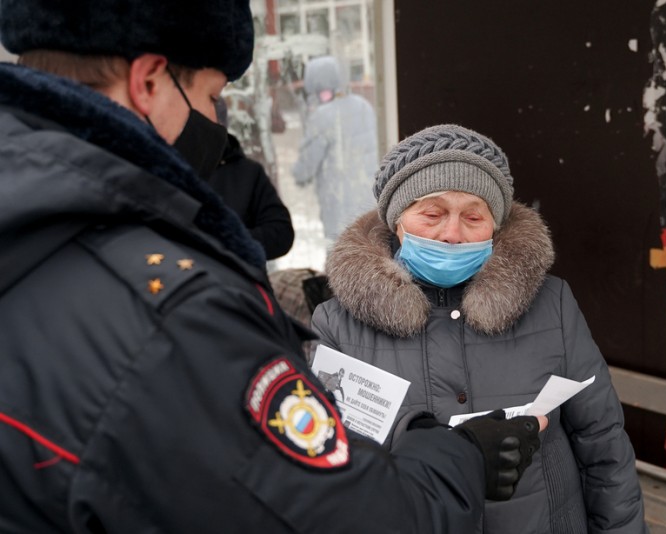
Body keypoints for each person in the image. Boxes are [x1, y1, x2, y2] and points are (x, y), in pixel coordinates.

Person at [0, 2, 546, 532]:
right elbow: (350, 516)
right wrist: (457, 457)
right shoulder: (177, 313)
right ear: (147, 82)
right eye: (212, 95)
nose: (215, 118)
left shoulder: (35, 234)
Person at [312, 124, 649, 533]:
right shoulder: (338, 324)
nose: (452, 234)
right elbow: (326, 466)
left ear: (496, 225)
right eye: (432, 214)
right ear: (397, 222)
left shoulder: (552, 305)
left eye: (473, 216)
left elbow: (604, 443)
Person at [292, 55, 378, 245]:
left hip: (339, 206)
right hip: (369, 200)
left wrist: (296, 173)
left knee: (340, 258)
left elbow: (305, 168)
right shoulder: (364, 106)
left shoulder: (322, 116)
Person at [212, 98, 295, 260]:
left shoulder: (248, 173)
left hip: (236, 281)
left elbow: (281, 234)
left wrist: (230, 241)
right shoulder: (167, 169)